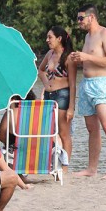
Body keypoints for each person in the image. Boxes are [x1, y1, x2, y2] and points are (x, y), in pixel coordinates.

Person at [69, 4, 106, 178]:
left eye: (81, 18)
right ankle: (92, 169)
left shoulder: (105, 34)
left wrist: (87, 57)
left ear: (91, 17)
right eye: (78, 18)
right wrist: (79, 59)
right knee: (92, 128)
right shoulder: (87, 37)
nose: (79, 22)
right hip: (86, 84)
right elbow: (90, 60)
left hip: (101, 84)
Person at [37, 26, 77, 171]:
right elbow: (41, 70)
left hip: (62, 95)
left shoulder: (69, 57)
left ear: (59, 39)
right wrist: (46, 83)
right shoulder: (50, 53)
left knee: (63, 133)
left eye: (50, 37)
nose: (47, 40)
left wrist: (71, 107)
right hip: (49, 96)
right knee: (48, 131)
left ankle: (65, 168)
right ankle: (52, 163)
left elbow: (73, 84)